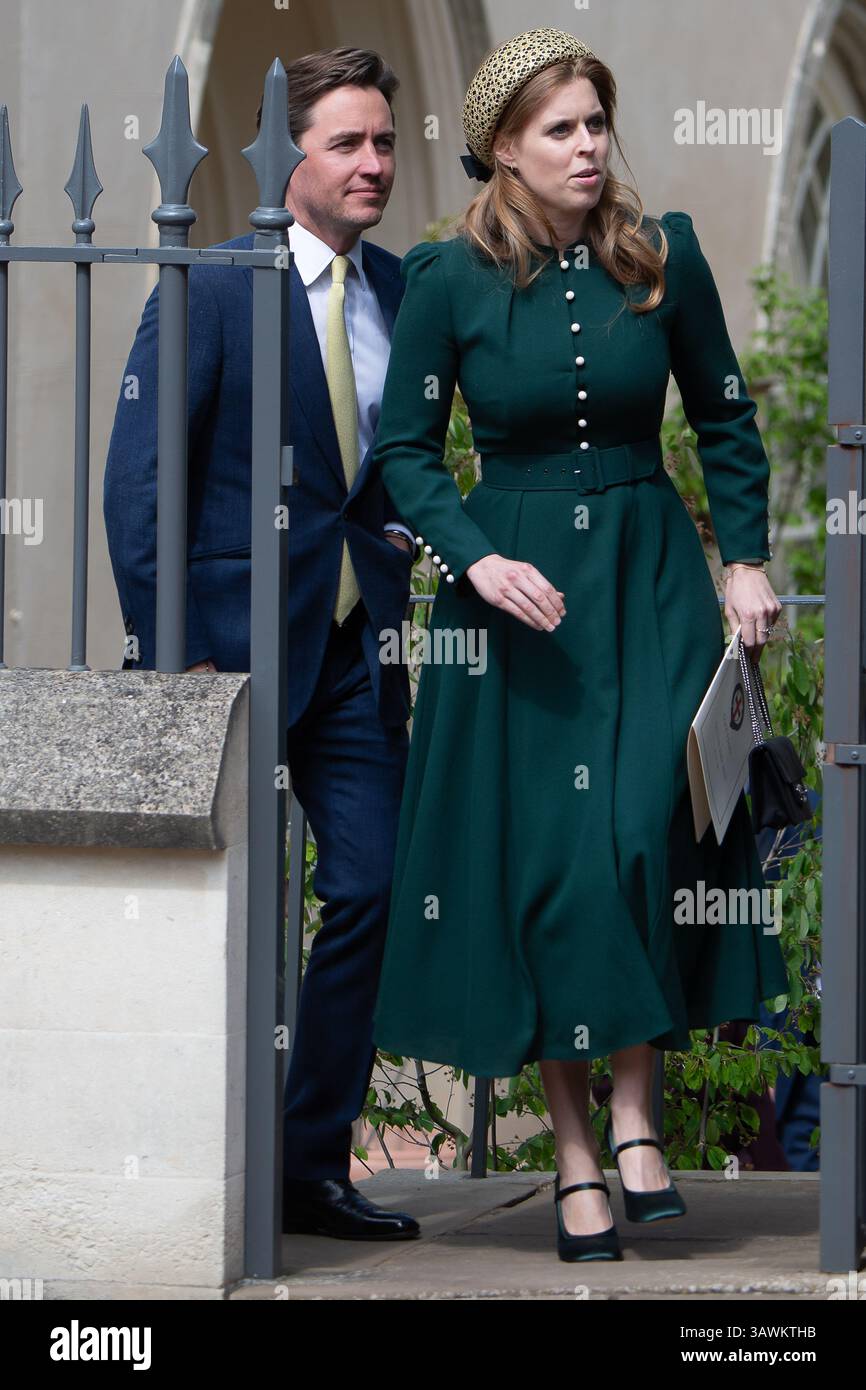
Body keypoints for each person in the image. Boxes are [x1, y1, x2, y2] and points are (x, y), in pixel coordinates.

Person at [369, 26, 789, 1262]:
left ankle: (636, 1113)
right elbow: (401, 452)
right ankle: (574, 1160)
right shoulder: (446, 279)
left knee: (639, 833)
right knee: (546, 867)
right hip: (514, 602)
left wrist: (747, 557)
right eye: (560, 128)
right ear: (502, 148)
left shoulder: (666, 259)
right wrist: (472, 555)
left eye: (596, 122)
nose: (588, 144)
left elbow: (723, 415)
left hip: (649, 579)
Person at [103, 47, 425, 1242]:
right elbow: (141, 480)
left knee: (369, 886)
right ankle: (188, 1160)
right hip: (226, 655)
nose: (374, 164)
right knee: (212, 908)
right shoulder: (217, 282)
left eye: (384, 142)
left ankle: (306, 1165)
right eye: (347, 143)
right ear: (280, 157)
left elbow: (384, 470)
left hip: (357, 648)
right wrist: (171, 649)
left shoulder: (396, 287)